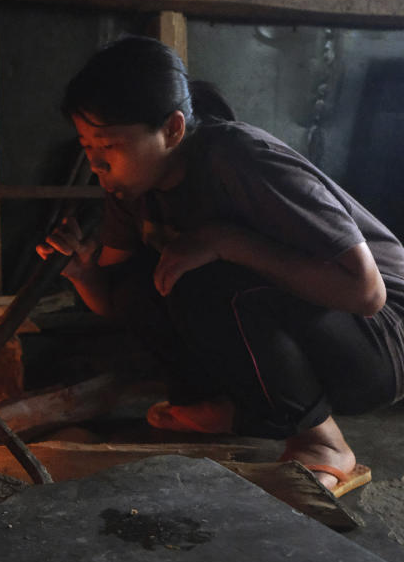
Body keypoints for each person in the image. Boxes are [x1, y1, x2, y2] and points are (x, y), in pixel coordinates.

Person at [37, 35, 404, 497]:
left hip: (384, 341)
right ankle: (223, 406)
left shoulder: (240, 158)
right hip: (330, 319)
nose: (95, 163)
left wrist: (230, 242)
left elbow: (368, 295)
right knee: (153, 279)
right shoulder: (131, 190)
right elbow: (119, 303)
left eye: (108, 144)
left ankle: (324, 444)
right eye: (86, 145)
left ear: (172, 129)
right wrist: (82, 273)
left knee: (207, 274)